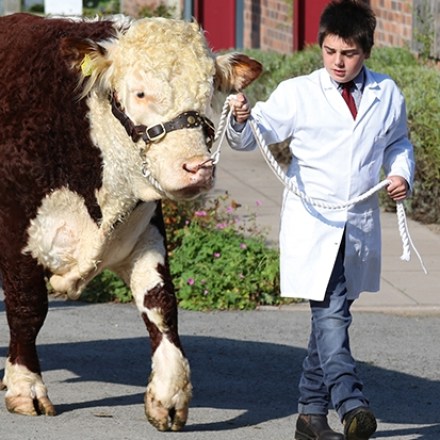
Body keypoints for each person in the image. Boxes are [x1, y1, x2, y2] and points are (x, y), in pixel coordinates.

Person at [226, 1, 415, 439]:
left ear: (366, 51)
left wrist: (401, 173)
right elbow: (253, 135)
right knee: (331, 315)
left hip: (358, 224)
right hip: (314, 222)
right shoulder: (298, 92)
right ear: (321, 47)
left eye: (348, 54)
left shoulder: (387, 93)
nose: (337, 62)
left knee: (330, 317)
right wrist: (240, 119)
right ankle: (351, 403)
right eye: (330, 52)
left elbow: (398, 142)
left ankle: (310, 416)